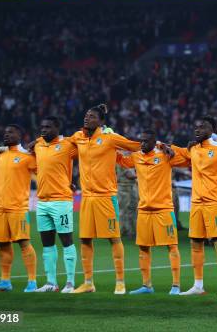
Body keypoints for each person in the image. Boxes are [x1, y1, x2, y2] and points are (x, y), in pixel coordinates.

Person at [70, 104, 141, 294]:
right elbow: (59, 147)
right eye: (86, 115)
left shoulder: (110, 138)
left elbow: (136, 146)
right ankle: (88, 282)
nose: (87, 118)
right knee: (85, 239)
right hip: (87, 198)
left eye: (92, 116)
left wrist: (159, 146)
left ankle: (120, 282)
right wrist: (31, 145)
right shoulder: (78, 137)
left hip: (106, 197)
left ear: (101, 121)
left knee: (113, 238)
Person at [117, 130, 188, 295]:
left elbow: (186, 159)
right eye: (141, 141)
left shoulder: (165, 156)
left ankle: (176, 285)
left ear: (154, 142)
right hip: (144, 210)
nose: (142, 144)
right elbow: (121, 160)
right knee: (143, 247)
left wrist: (165, 146)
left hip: (163, 209)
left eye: (146, 141)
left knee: (171, 246)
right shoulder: (136, 156)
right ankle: (147, 285)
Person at [174, 116, 217, 297]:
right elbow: (180, 153)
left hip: (214, 203)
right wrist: (165, 147)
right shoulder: (193, 149)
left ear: (211, 130)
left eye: (202, 127)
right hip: (196, 203)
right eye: (196, 127)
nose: (197, 130)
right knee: (195, 243)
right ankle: (198, 285)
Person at [0, 125, 38, 293]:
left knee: (24, 243)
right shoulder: (0, 157)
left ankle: (32, 281)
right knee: (4, 244)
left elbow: (43, 173)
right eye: (5, 132)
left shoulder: (27, 157)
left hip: (18, 208)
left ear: (19, 135)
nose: (6, 135)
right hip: (0, 208)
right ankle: (5, 281)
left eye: (11, 132)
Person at [32, 117, 79, 293]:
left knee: (66, 241)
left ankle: (70, 283)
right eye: (42, 127)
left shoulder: (67, 145)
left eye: (48, 127)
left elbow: (88, 151)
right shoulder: (38, 145)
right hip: (42, 202)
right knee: (47, 244)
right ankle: (51, 283)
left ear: (57, 128)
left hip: (61, 201)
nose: (43, 130)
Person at [116, 162, 138, 239]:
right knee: (123, 211)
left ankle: (131, 231)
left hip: (131, 186)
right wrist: (143, 174)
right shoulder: (122, 160)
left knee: (132, 210)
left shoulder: (130, 158)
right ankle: (120, 231)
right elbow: (129, 175)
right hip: (123, 188)